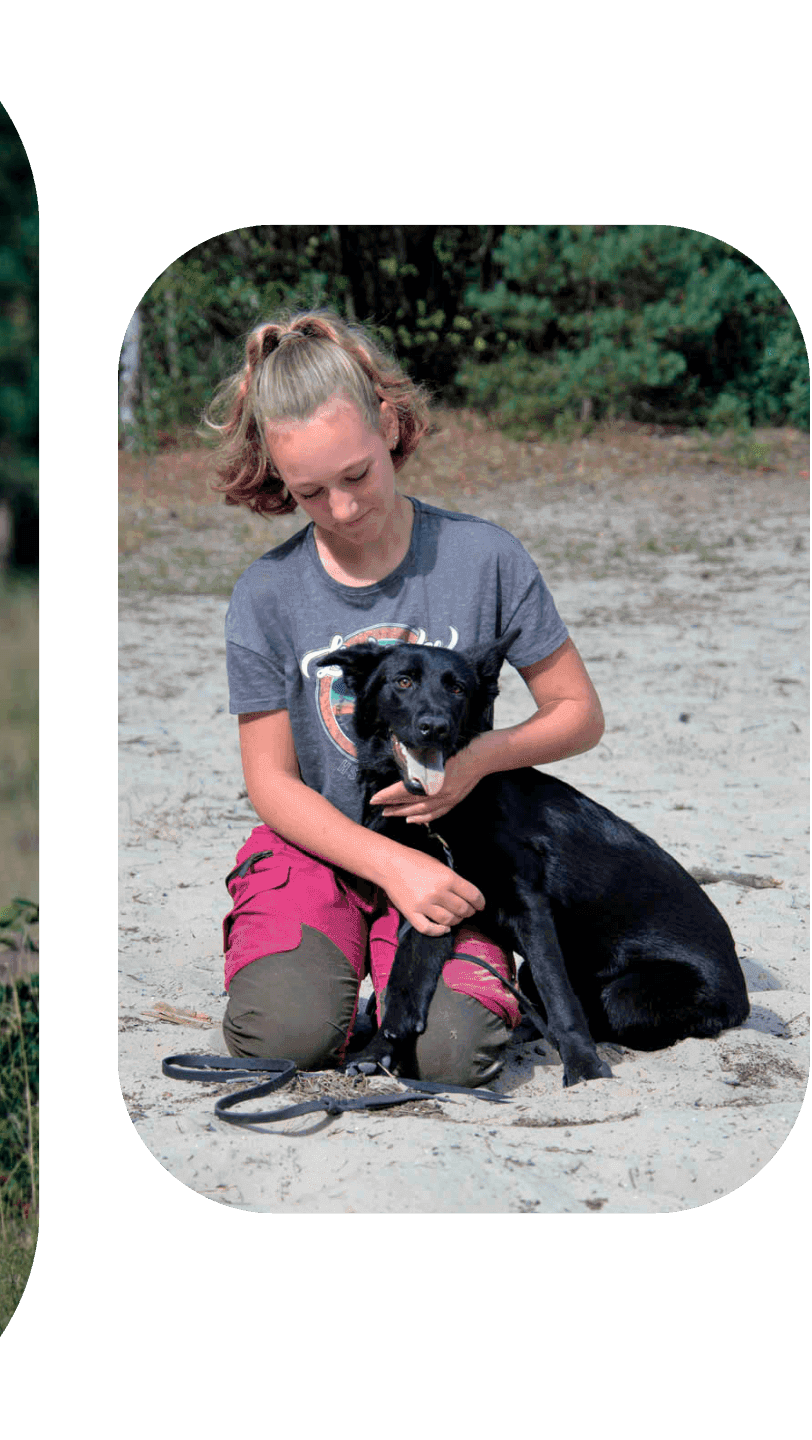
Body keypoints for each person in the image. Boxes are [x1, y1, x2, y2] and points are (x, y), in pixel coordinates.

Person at [206, 310, 605, 1087]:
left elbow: (578, 714)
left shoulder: (483, 558)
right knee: (277, 1036)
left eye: (355, 475)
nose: (343, 508)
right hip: (325, 844)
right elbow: (270, 782)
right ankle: (330, 960)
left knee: (455, 1055)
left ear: (388, 425)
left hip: (452, 851)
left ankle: (406, 974)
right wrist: (387, 865)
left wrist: (476, 761)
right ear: (277, 477)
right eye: (309, 492)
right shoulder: (265, 595)